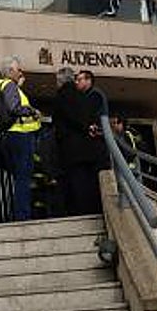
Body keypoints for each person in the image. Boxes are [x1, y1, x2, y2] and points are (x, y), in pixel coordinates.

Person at [0, 56, 41, 221]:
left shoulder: (2, 86)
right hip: (19, 136)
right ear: (11, 71)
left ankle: (22, 213)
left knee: (19, 177)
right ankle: (23, 215)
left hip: (10, 136)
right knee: (23, 177)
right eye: (18, 69)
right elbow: (14, 108)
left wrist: (18, 87)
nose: (21, 72)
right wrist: (32, 111)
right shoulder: (9, 85)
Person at [62, 70, 110, 215]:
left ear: (88, 81)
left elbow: (89, 116)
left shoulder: (94, 96)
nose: (76, 82)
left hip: (96, 147)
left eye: (79, 79)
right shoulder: (87, 96)